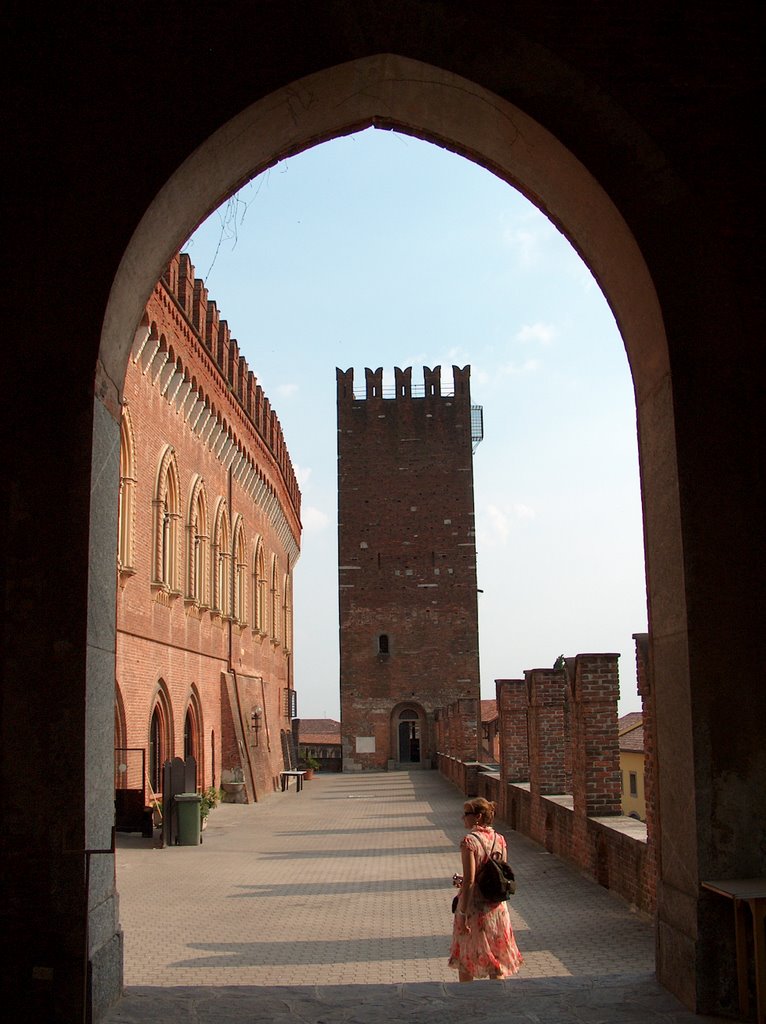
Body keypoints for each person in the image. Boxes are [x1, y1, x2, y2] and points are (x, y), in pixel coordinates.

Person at [448, 797, 523, 982]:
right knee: (496, 960)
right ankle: (498, 999)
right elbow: (498, 872)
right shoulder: (500, 839)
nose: (462, 818)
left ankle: (468, 999)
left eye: (466, 814)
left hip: (475, 909)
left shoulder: (469, 841)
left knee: (467, 958)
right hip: (497, 908)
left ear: (478, 817)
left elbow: (471, 881)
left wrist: (463, 913)